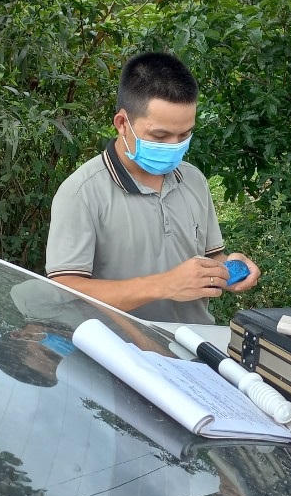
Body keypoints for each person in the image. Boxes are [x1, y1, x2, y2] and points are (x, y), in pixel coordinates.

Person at [46, 51, 259, 324]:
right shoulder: (82, 192)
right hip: (118, 351)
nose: (174, 146)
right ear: (123, 123)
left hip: (194, 345)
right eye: (160, 136)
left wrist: (228, 267)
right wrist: (164, 285)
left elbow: (211, 256)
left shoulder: (193, 180)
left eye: (184, 135)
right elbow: (67, 289)